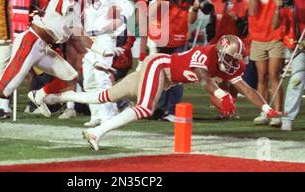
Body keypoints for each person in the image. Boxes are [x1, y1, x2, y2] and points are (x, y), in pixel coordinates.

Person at [35, 35, 280, 151]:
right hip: (159, 66)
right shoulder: (206, 54)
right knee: (145, 108)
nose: (232, 62)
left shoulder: (229, 64)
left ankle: (53, 98)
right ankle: (96, 132)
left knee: (104, 96)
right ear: (220, 51)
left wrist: (267, 109)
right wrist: (220, 95)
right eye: (229, 57)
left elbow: (246, 88)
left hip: (165, 77)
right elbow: (204, 78)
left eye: (234, 58)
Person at [148, 0, 200, 121]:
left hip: (179, 39)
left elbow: (191, 21)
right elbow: (150, 12)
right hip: (163, 38)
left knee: (177, 75)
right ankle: (160, 108)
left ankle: (172, 111)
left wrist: (195, 9)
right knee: (161, 75)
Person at [248, 0, 288, 127]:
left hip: (276, 36)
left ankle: (278, 113)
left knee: (274, 74)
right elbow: (252, 11)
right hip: (257, 36)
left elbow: (281, 3)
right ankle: (265, 111)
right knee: (261, 77)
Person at [271, 0, 305, 131]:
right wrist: (278, 7)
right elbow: (275, 24)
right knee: (296, 79)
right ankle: (288, 118)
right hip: (297, 45)